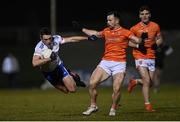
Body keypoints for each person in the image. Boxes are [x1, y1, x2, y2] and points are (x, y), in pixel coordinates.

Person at [73, 11, 141, 116]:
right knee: (92, 84)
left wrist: (141, 39)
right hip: (105, 62)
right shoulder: (106, 31)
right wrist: (81, 28)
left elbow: (137, 40)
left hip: (119, 64)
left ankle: (113, 108)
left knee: (117, 88)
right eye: (107, 20)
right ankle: (93, 106)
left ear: (117, 20)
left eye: (110, 20)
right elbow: (95, 34)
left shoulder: (125, 32)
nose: (108, 22)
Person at [127, 5, 163, 112]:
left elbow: (159, 38)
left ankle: (135, 81)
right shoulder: (134, 28)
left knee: (150, 83)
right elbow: (127, 42)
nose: (144, 16)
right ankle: (148, 105)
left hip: (151, 56)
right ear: (139, 16)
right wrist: (138, 46)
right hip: (139, 56)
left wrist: (157, 44)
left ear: (150, 15)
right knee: (147, 81)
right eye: (142, 14)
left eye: (146, 14)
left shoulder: (155, 26)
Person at [32, 27, 87, 94]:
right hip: (48, 72)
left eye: (49, 38)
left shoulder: (56, 39)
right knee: (65, 91)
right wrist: (49, 59)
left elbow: (71, 39)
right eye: (45, 39)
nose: (48, 41)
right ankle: (68, 78)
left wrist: (87, 38)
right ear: (41, 38)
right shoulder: (39, 48)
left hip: (58, 66)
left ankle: (72, 77)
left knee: (73, 90)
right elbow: (34, 63)